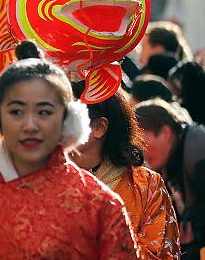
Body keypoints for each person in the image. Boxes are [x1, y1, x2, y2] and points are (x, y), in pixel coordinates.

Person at [0, 58, 138, 258]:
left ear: (68, 120)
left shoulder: (100, 204)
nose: (30, 125)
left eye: (44, 112)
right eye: (16, 111)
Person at [70, 84, 180, 258]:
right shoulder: (42, 180)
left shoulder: (147, 185)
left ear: (99, 127)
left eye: (69, 116)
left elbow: (161, 254)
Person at [135, 98, 205, 259]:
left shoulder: (198, 156)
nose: (141, 153)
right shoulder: (172, 154)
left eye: (143, 143)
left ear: (166, 133)